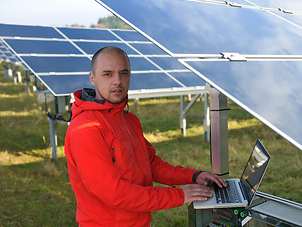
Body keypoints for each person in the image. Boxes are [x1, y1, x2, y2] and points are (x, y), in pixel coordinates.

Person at [64, 46, 226, 227]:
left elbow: (150, 164)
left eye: (124, 73)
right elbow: (114, 193)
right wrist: (179, 195)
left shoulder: (128, 119)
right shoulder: (86, 129)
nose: (118, 81)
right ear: (92, 78)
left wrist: (194, 176)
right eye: (108, 74)